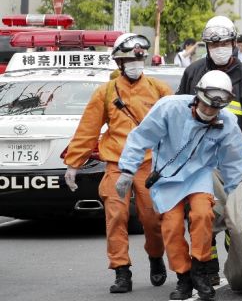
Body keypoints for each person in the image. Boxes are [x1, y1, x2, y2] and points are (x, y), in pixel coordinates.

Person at [117, 70, 242, 301]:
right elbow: (140, 137)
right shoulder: (169, 108)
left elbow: (233, 161)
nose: (209, 111)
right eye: (206, 105)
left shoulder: (227, 122)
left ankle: (200, 270)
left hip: (199, 174)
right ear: (197, 96)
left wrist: (234, 194)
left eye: (216, 108)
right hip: (166, 176)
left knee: (203, 214)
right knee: (172, 226)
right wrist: (127, 170)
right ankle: (184, 277)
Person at [63, 33, 173, 293]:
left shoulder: (160, 90)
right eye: (128, 59)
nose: (135, 63)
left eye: (139, 58)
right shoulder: (105, 92)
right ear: (119, 63)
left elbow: (175, 127)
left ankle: (156, 256)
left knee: (153, 220)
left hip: (149, 164)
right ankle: (121, 270)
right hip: (116, 164)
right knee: (116, 217)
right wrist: (73, 164)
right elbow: (88, 129)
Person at [177, 15, 242, 284]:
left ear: (234, 43)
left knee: (234, 215)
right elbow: (179, 113)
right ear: (206, 46)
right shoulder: (193, 72)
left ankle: (233, 245)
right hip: (198, 159)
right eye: (213, 43)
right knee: (200, 214)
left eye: (225, 42)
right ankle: (207, 267)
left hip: (233, 161)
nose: (220, 47)